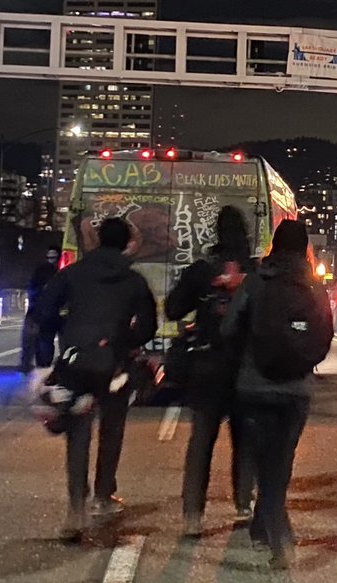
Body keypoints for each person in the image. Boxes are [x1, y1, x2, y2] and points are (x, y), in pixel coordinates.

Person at [33, 217, 157, 541]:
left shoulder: (72, 274)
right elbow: (148, 327)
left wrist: (65, 334)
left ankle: (77, 506)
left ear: (98, 240)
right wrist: (124, 342)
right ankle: (103, 495)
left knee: (78, 432)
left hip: (75, 361)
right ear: (127, 242)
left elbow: (43, 310)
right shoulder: (133, 281)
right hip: (113, 364)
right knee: (112, 428)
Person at [220, 219, 333, 568]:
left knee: (262, 462)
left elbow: (228, 329)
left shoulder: (256, 281)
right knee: (280, 463)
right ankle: (262, 528)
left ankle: (279, 536)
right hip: (296, 390)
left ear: (274, 246)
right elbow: (324, 338)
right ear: (304, 249)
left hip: (254, 386)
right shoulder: (314, 287)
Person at [165, 206, 257, 537]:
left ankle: (193, 513)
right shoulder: (257, 271)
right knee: (245, 440)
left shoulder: (202, 270)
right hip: (246, 368)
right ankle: (244, 503)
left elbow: (173, 308)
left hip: (207, 366)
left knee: (201, 440)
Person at [20, 247, 60, 374]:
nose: (51, 260)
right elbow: (32, 289)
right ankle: (37, 368)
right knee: (38, 342)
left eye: (53, 257)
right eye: (49, 257)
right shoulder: (42, 272)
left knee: (43, 343)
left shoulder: (58, 273)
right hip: (39, 312)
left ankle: (40, 368)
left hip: (48, 314)